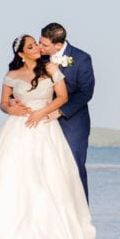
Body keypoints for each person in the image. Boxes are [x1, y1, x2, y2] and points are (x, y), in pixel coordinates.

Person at [0, 35, 96, 239]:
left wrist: (42, 113)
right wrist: (11, 108)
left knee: (46, 175)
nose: (37, 48)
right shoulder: (12, 75)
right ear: (21, 54)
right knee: (13, 175)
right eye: (31, 46)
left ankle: (49, 227)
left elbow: (62, 97)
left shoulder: (50, 69)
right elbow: (2, 103)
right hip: (17, 128)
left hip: (44, 126)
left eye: (36, 44)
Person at [37, 22, 95, 201]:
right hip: (43, 119)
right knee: (43, 167)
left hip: (73, 122)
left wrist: (60, 111)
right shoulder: (39, 58)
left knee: (74, 166)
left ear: (59, 45)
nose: (40, 47)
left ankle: (80, 214)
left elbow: (86, 92)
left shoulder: (82, 58)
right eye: (40, 42)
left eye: (44, 45)